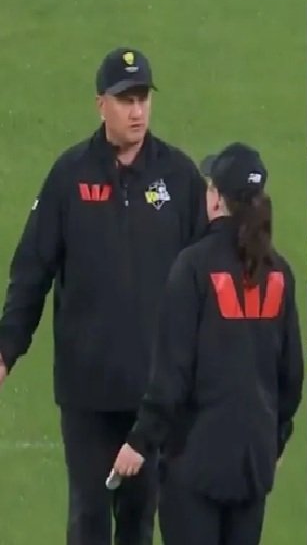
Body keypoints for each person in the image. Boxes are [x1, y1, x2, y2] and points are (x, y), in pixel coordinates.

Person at [0, 46, 206, 545]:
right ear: (100, 105)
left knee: (138, 522)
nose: (137, 111)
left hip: (154, 393)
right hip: (87, 391)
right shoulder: (69, 176)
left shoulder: (179, 177)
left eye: (142, 99)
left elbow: (206, 280)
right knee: (88, 519)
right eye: (125, 100)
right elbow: (32, 271)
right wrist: (6, 349)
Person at [110, 142, 303, 545]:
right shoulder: (279, 272)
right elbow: (290, 377)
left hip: (196, 463)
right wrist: (274, 439)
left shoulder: (193, 267)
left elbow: (172, 376)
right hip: (252, 463)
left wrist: (139, 441)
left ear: (216, 198)